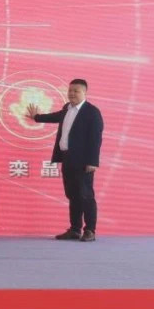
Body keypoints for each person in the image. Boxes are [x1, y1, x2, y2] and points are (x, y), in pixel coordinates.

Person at [27, 78, 103, 241]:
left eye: (76, 91)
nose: (72, 93)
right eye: (70, 90)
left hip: (83, 162)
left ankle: (90, 230)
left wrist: (93, 161)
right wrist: (37, 117)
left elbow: (95, 139)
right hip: (67, 158)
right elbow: (55, 117)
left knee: (86, 195)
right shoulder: (67, 108)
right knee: (72, 195)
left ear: (85, 92)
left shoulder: (92, 112)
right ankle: (75, 229)